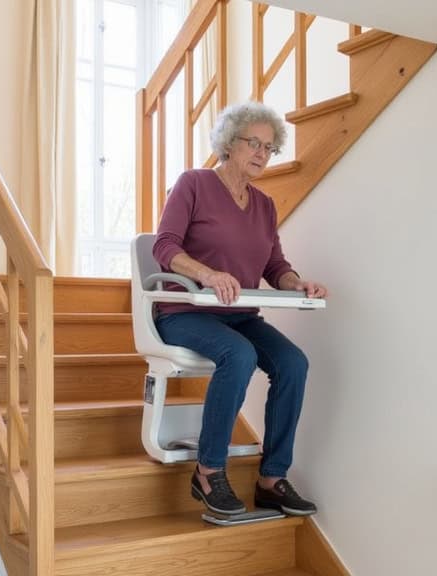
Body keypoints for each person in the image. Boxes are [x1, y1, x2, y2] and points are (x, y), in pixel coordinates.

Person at [152, 101, 328, 517]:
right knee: (240, 355)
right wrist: (207, 274)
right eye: (254, 144)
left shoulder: (265, 205)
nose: (262, 154)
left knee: (293, 363)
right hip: (184, 313)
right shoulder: (193, 184)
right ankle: (209, 471)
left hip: (240, 316)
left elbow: (275, 266)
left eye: (270, 148)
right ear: (230, 143)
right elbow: (164, 247)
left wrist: (297, 282)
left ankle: (271, 479)